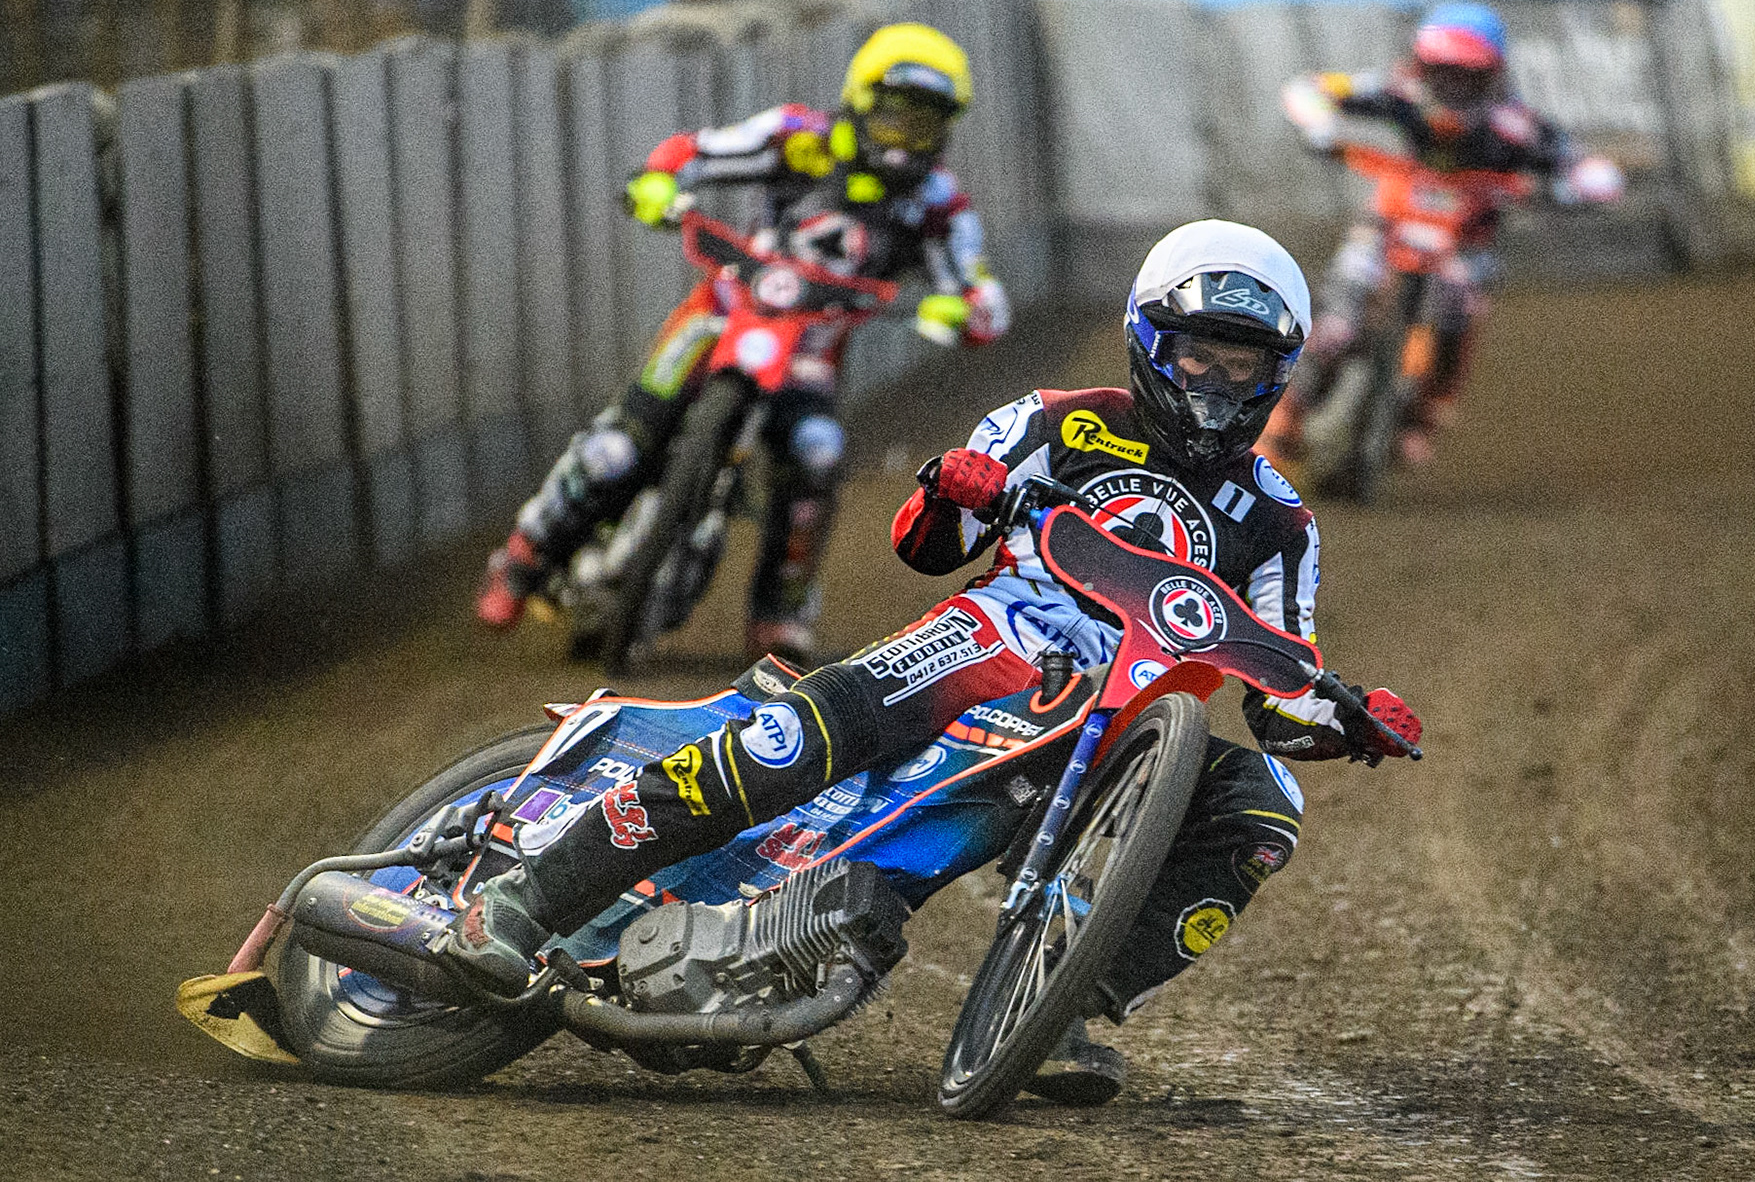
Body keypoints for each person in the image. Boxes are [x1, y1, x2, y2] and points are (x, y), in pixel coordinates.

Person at [447, 220, 1423, 1105]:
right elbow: (925, 543)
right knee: (789, 743)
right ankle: (526, 896)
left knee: (1265, 802)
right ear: (1151, 343)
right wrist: (957, 487)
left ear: (1278, 371)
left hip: (1117, 725)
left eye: (1241, 362)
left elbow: (1282, 692)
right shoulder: (1055, 418)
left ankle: (1071, 996)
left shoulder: (1282, 524)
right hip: (989, 643)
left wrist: (1352, 717)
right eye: (1199, 352)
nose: (1215, 380)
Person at [476, 22, 1012, 663]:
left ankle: (781, 614)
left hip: (813, 351)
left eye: (923, 127)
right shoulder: (797, 138)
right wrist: (659, 180)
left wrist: (970, 309)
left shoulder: (940, 204)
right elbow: (693, 150)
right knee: (620, 445)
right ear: (859, 102)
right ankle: (524, 554)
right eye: (894, 119)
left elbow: (978, 286)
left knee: (818, 451)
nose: (904, 142)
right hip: (723, 311)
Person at [1270, 0, 1622, 465]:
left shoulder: (1515, 127)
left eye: (1468, 74)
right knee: (1337, 322)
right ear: (1422, 65)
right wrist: (1321, 123)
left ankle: (1426, 412)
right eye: (1443, 70)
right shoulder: (1398, 92)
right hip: (1387, 225)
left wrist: (1572, 186)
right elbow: (1308, 89)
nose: (1453, 85)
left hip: (1465, 240)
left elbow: (1592, 169)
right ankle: (1283, 419)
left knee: (1460, 308)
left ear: (1493, 73)